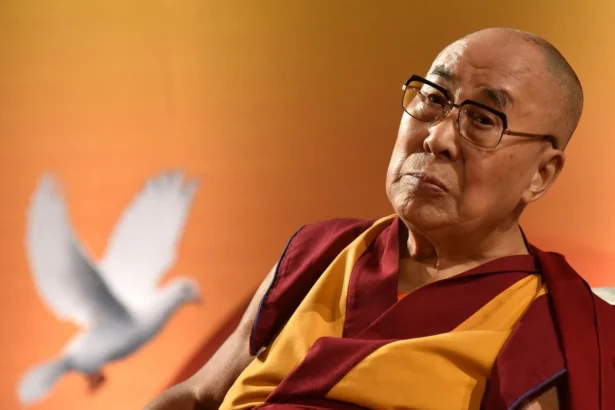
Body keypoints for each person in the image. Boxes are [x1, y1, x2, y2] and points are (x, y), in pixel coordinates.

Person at [145, 27, 615, 410]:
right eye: (434, 97)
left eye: (483, 119)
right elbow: (200, 396)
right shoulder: (323, 252)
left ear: (540, 174)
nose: (437, 138)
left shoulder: (559, 334)